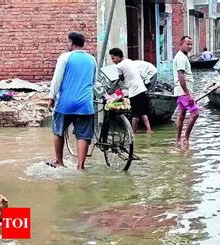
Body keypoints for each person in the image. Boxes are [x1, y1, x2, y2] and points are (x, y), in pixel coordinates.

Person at [47, 32, 97, 170]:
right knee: (83, 136)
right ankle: (80, 166)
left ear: (70, 42)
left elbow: (57, 80)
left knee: (58, 131)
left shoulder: (65, 57)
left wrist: (51, 97)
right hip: (85, 104)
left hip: (66, 103)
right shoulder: (92, 59)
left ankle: (59, 162)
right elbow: (94, 81)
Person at [109, 48, 152, 134]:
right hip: (141, 88)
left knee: (135, 114)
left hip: (134, 91)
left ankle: (133, 134)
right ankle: (149, 130)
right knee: (143, 112)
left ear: (118, 57)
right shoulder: (129, 61)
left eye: (113, 58)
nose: (113, 60)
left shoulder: (119, 66)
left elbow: (121, 78)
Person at [173, 36, 200, 148]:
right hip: (184, 92)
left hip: (181, 91)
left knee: (181, 115)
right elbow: (181, 76)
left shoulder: (182, 57)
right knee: (195, 113)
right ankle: (186, 138)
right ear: (181, 44)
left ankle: (178, 139)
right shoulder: (181, 58)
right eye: (187, 44)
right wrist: (188, 94)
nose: (190, 47)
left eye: (191, 44)